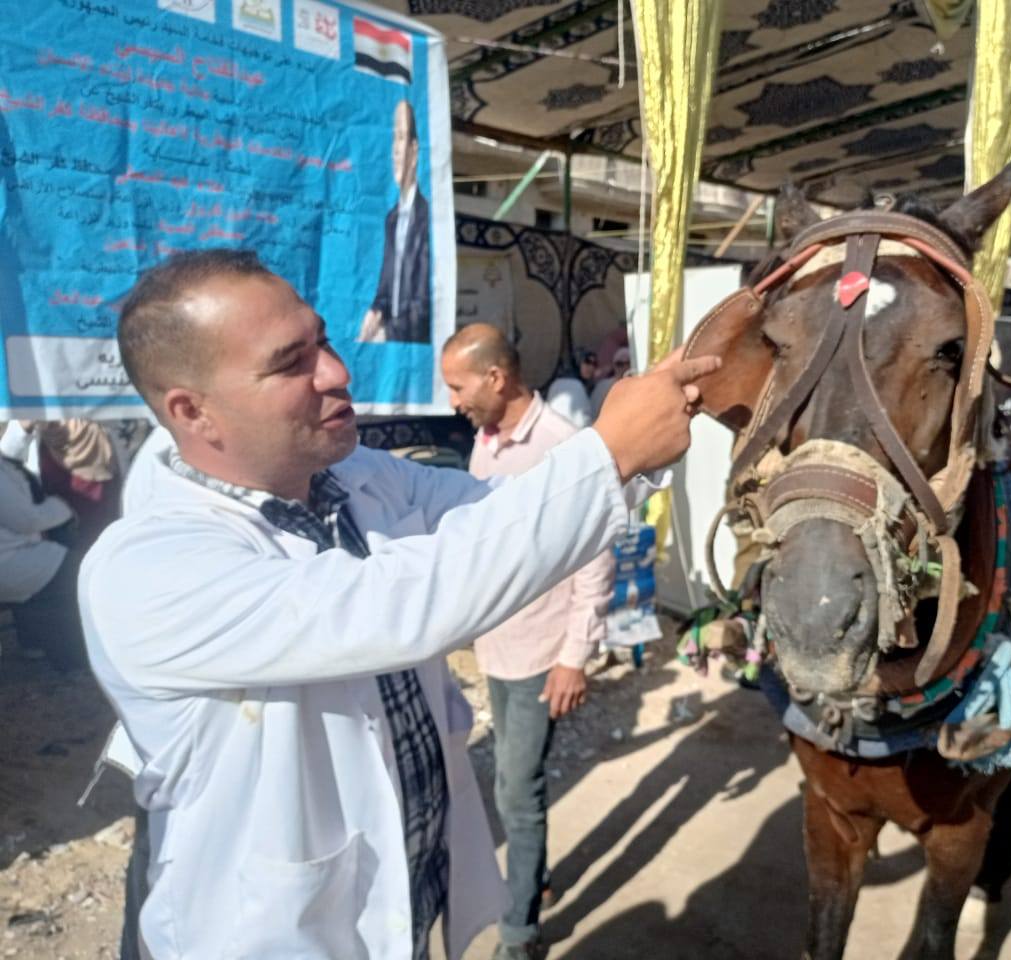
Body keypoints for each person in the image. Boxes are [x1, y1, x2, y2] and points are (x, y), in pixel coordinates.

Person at [79, 249, 718, 959]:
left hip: (406, 896)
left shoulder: (351, 477)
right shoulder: (145, 571)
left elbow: (493, 511)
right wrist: (609, 454)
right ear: (192, 410)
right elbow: (405, 598)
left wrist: (639, 438)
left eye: (322, 340)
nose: (337, 372)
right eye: (291, 363)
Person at [440, 326, 613, 959]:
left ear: (496, 378)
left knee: (518, 790)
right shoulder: (485, 444)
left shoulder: (561, 450)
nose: (453, 400)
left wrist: (574, 657)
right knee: (513, 786)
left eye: (458, 386)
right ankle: (532, 880)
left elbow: (594, 558)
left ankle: (520, 933)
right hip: (499, 647)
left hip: (542, 654)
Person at [0, 440, 80, 666]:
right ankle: (70, 658)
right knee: (76, 570)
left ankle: (32, 643)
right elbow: (28, 520)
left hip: (12, 558)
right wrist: (65, 506)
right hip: (9, 562)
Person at [359, 100, 432, 343]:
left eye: (400, 138)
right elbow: (387, 288)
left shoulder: (428, 218)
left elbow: (425, 301)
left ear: (414, 150)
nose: (395, 150)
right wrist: (375, 312)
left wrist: (390, 332)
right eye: (393, 139)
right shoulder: (392, 219)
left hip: (415, 343)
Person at [590, 345, 632, 419]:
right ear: (614, 365)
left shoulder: (639, 385)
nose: (625, 367)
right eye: (620, 364)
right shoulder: (603, 386)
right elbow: (594, 412)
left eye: (628, 363)